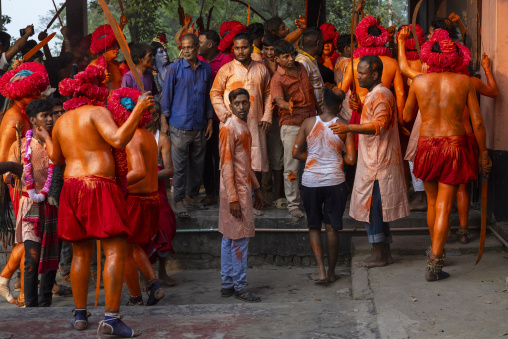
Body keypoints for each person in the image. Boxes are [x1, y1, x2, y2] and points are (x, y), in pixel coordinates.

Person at [41, 64, 153, 336]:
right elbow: (117, 140)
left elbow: (56, 160)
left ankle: (80, 316)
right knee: (115, 249)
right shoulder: (97, 112)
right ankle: (111, 320)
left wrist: (45, 138)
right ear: (97, 90)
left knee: (81, 252)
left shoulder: (62, 120)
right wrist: (138, 109)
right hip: (98, 184)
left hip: (71, 186)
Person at [402, 30, 491, 281]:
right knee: (444, 204)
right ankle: (435, 263)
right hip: (454, 144)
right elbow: (478, 123)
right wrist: (484, 153)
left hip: (427, 146)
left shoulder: (419, 81)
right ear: (456, 57)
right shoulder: (463, 82)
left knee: (433, 203)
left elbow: (407, 116)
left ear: (429, 56)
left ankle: (435, 250)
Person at [330, 55, 409, 268]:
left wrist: (348, 127)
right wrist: (358, 110)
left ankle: (378, 255)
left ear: (374, 75)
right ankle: (385, 253)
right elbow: (372, 118)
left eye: (362, 73)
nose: (358, 76)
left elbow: (379, 125)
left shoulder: (381, 95)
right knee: (377, 209)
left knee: (372, 208)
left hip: (378, 163)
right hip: (374, 160)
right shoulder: (376, 94)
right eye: (358, 72)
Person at [108, 87, 165, 306]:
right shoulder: (149, 135)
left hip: (137, 200)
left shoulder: (132, 136)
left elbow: (139, 171)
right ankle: (145, 290)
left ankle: (143, 291)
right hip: (151, 199)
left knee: (126, 249)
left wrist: (115, 184)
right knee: (132, 248)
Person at [293, 87, 356, 283]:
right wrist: (337, 156)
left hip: (310, 181)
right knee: (331, 228)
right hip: (334, 181)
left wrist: (313, 158)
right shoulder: (344, 126)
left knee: (314, 227)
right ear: (339, 106)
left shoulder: (308, 123)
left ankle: (320, 271)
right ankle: (331, 272)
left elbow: (296, 153)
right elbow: (351, 160)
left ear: (322, 103)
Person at [0, 62, 49, 306]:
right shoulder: (13, 116)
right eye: (36, 91)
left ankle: (16, 283)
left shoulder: (24, 113)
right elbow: (4, 159)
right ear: (23, 92)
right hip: (20, 185)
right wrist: (13, 178)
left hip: (34, 182)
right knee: (28, 239)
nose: (40, 95)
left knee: (32, 237)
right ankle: (10, 282)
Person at [5, 99, 59, 307]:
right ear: (33, 120)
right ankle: (30, 303)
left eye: (51, 115)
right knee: (31, 259)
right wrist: (9, 176)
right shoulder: (19, 145)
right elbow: (8, 173)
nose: (49, 119)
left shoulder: (57, 142)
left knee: (51, 257)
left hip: (53, 203)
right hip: (30, 206)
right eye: (44, 115)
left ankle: (45, 303)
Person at [161, 33, 213, 219]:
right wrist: (164, 123)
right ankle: (179, 199)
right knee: (180, 166)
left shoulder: (206, 69)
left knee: (198, 165)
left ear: (197, 48)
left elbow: (209, 96)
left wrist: (209, 121)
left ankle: (191, 196)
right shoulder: (174, 69)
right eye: (183, 47)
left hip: (199, 125)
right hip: (179, 125)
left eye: (190, 47)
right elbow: (166, 97)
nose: (186, 50)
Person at [219, 88, 263, 302]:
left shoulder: (242, 126)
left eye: (245, 103)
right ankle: (240, 286)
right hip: (234, 190)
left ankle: (228, 283)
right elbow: (226, 165)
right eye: (238, 103)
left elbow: (245, 163)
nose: (242, 106)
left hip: (241, 188)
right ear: (231, 105)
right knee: (239, 238)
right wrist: (234, 198)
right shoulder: (229, 129)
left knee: (229, 237)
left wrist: (257, 188)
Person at [211, 32, 272, 185]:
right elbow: (215, 93)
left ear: (251, 48)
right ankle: (233, 197)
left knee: (255, 158)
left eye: (244, 47)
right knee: (230, 158)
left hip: (255, 121)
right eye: (237, 48)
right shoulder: (226, 69)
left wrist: (267, 116)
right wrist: (225, 115)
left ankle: (255, 199)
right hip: (231, 123)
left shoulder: (261, 69)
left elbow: (269, 94)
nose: (240, 51)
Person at [340, 16, 405, 148]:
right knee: (382, 150)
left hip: (361, 110)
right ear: (382, 40)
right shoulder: (392, 62)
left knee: (362, 153)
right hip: (383, 111)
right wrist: (400, 120)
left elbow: (341, 91)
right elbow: (401, 94)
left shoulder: (355, 63)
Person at [271, 39, 317, 218]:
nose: (291, 59)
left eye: (292, 55)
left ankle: (311, 200)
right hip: (291, 125)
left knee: (312, 163)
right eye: (285, 56)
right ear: (277, 59)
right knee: (292, 166)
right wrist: (285, 105)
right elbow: (278, 99)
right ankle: (293, 204)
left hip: (311, 122)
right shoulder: (277, 78)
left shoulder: (302, 67)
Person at [198, 30, 233, 207]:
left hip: (223, 119)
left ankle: (224, 194)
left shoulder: (227, 62)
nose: (198, 45)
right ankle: (210, 194)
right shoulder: (198, 62)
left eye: (200, 41)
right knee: (205, 157)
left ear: (210, 45)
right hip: (203, 118)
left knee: (223, 158)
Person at [143, 102, 177, 286]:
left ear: (155, 117)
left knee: (165, 225)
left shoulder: (162, 138)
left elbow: (170, 170)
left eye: (146, 113)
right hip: (139, 191)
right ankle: (145, 274)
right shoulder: (133, 135)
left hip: (157, 190)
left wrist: (149, 176)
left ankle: (162, 272)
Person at [395, 24, 427, 212]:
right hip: (428, 115)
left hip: (419, 115)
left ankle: (422, 196)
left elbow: (403, 69)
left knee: (413, 154)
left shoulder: (422, 68)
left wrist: (399, 42)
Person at [89, 25, 129, 94]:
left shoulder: (119, 65)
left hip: (120, 102)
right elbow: (88, 89)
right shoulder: (94, 65)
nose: (117, 48)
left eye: (117, 45)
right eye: (113, 46)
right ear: (104, 47)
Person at [295, 28, 325, 113]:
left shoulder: (309, 59)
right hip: (311, 113)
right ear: (318, 43)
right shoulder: (303, 61)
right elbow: (302, 90)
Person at [334, 34, 357, 122]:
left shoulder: (339, 60)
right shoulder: (348, 62)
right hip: (348, 105)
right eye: (355, 46)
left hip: (343, 106)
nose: (357, 49)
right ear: (346, 48)